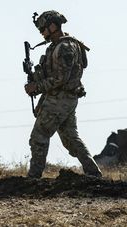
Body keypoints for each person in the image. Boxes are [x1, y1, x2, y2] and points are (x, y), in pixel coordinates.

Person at [24, 10, 102, 178]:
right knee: (70, 139)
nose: (42, 33)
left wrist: (36, 87)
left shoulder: (65, 47)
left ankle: (33, 178)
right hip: (62, 98)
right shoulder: (58, 46)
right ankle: (94, 173)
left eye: (43, 29)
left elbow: (61, 79)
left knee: (39, 136)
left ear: (53, 26)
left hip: (61, 99)